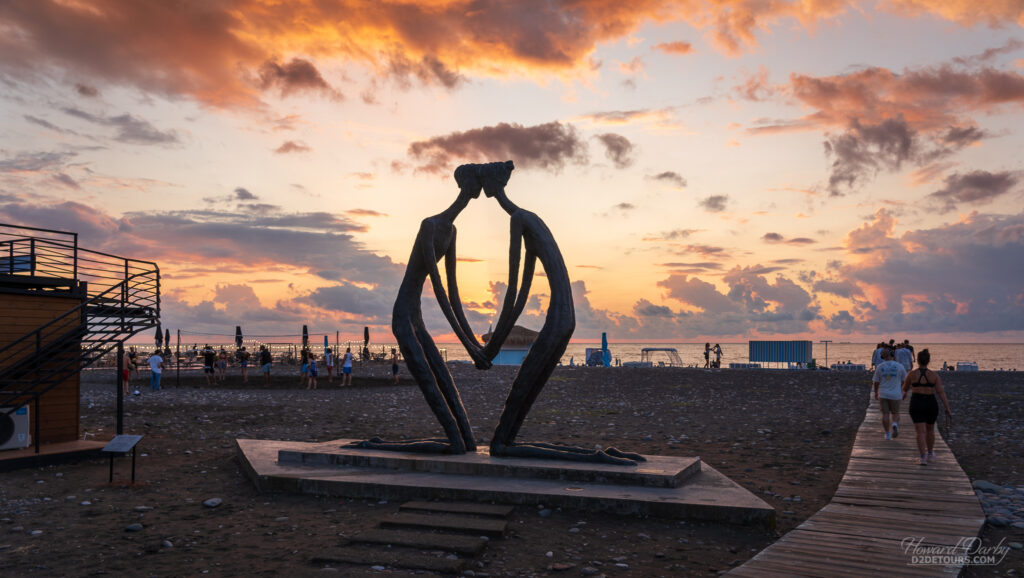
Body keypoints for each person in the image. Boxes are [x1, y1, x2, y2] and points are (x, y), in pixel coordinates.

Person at [902, 349, 952, 466]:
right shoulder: (934, 375)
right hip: (930, 403)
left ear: (918, 361)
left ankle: (922, 457)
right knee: (930, 430)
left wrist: (904, 395)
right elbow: (941, 392)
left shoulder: (912, 374)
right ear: (928, 361)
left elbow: (905, 388)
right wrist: (947, 408)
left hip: (916, 402)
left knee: (920, 432)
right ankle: (930, 453)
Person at [872, 349, 906, 439]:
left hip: (883, 394)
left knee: (885, 414)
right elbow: (904, 381)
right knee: (895, 413)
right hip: (896, 394)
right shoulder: (899, 366)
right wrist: (903, 390)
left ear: (883, 357)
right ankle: (894, 423)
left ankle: (887, 433)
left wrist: (876, 392)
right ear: (892, 355)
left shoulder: (880, 367)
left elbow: (876, 382)